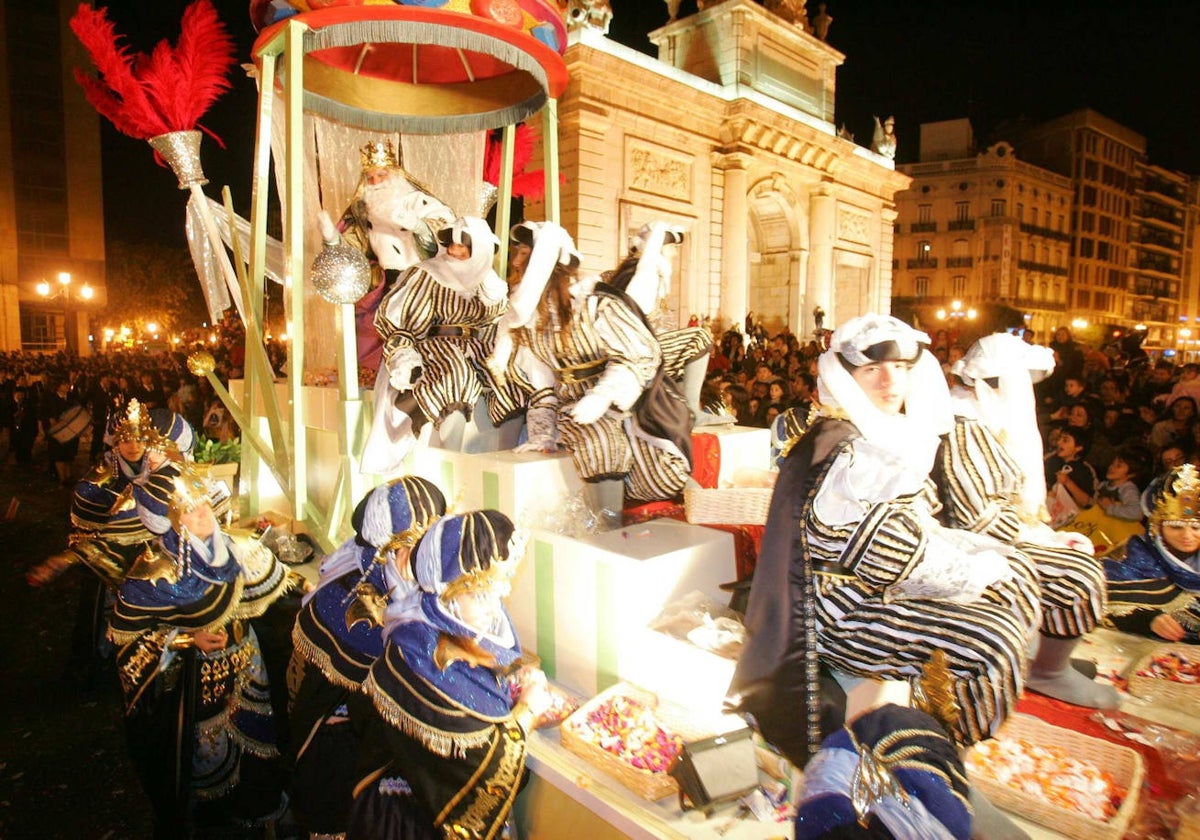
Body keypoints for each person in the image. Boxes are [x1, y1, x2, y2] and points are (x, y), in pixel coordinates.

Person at [729, 315, 1041, 780]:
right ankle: (937, 761)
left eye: (899, 366)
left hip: (867, 585)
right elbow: (889, 553)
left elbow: (914, 528)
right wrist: (977, 570)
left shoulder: (871, 434)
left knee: (1015, 587)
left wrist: (981, 555)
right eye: (873, 369)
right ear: (846, 376)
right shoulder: (854, 450)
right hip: (837, 609)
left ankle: (932, 731)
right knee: (991, 638)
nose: (890, 379)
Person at [110, 465, 292, 838]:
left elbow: (279, 591)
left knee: (258, 748)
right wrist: (184, 640)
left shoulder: (239, 549)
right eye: (191, 510)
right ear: (170, 521)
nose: (204, 514)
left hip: (248, 666)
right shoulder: (154, 574)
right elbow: (130, 643)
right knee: (203, 757)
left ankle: (257, 815)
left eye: (205, 505)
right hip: (195, 682)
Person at [348, 510, 551, 840]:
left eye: (498, 591)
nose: (493, 607)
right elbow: (482, 762)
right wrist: (527, 711)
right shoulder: (421, 658)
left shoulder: (437, 625)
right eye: (479, 594)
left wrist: (507, 682)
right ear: (446, 593)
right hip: (410, 823)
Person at [943, 335, 1119, 710]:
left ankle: (1051, 662)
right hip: (966, 544)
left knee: (1079, 557)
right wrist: (1037, 538)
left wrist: (1040, 532)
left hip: (1000, 532)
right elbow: (976, 516)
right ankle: (1049, 672)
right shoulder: (964, 427)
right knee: (1077, 575)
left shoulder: (989, 419)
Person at [487, 221, 693, 517]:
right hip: (571, 405)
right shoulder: (532, 319)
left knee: (656, 466)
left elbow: (638, 354)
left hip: (625, 401)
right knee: (594, 438)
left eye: (527, 258)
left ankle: (614, 525)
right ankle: (608, 524)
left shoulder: (595, 303)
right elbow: (542, 380)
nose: (518, 266)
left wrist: (602, 395)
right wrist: (543, 432)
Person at [289, 476, 447, 839]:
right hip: (344, 750)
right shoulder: (354, 599)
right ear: (387, 548)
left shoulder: (406, 580)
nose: (424, 555)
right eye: (412, 545)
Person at [366, 217, 514, 472]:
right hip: (436, 350)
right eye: (451, 244)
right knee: (454, 378)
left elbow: (499, 325)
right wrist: (403, 356)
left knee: (511, 387)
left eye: (463, 246)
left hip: (479, 351)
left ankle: (498, 467)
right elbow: (399, 322)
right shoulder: (427, 274)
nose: (454, 251)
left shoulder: (490, 285)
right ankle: (444, 468)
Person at [317, 140, 455, 377]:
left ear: (395, 175)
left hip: (423, 280)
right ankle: (379, 373)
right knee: (374, 327)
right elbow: (353, 251)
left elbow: (447, 230)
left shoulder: (417, 201)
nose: (376, 182)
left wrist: (419, 227)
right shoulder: (363, 212)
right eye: (370, 177)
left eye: (381, 175)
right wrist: (332, 239)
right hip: (388, 284)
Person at [1103, 464, 1200, 644]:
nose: (1187, 536)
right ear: (1156, 527)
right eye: (1176, 527)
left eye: (1196, 527)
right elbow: (1098, 600)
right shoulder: (1128, 554)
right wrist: (1147, 620)